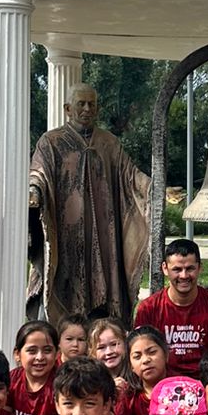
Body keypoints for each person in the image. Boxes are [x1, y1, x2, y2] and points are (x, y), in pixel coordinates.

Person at [27, 83, 150, 325]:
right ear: (67, 109)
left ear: (98, 108)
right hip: (66, 235)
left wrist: (153, 188)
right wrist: (35, 191)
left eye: (91, 104)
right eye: (80, 104)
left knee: (104, 292)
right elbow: (38, 172)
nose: (86, 109)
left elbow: (130, 176)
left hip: (104, 238)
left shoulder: (109, 143)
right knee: (60, 287)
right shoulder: (51, 142)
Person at [134, 239, 208, 375]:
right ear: (165, 268)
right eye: (177, 269)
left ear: (199, 267)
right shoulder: (148, 308)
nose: (184, 276)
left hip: (206, 383)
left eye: (190, 269)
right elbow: (140, 355)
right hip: (162, 383)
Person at [117, 326, 169, 415]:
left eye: (152, 352)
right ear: (131, 366)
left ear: (166, 354)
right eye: (137, 356)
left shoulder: (183, 389)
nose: (145, 360)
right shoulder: (128, 397)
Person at [88, 318, 129, 387]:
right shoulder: (90, 381)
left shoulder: (137, 376)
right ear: (92, 352)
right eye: (101, 347)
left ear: (125, 343)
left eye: (114, 344)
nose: (109, 352)